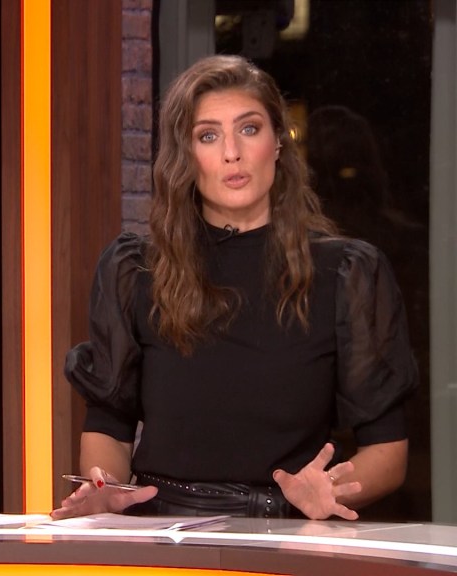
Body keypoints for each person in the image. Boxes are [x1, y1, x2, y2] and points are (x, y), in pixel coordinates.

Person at [52, 55, 417, 520]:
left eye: (249, 129)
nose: (232, 153)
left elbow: (387, 451)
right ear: (186, 155)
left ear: (278, 142)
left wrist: (329, 492)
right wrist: (107, 491)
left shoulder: (345, 273)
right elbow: (109, 425)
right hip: (162, 529)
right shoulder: (137, 270)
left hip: (285, 528)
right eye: (208, 136)